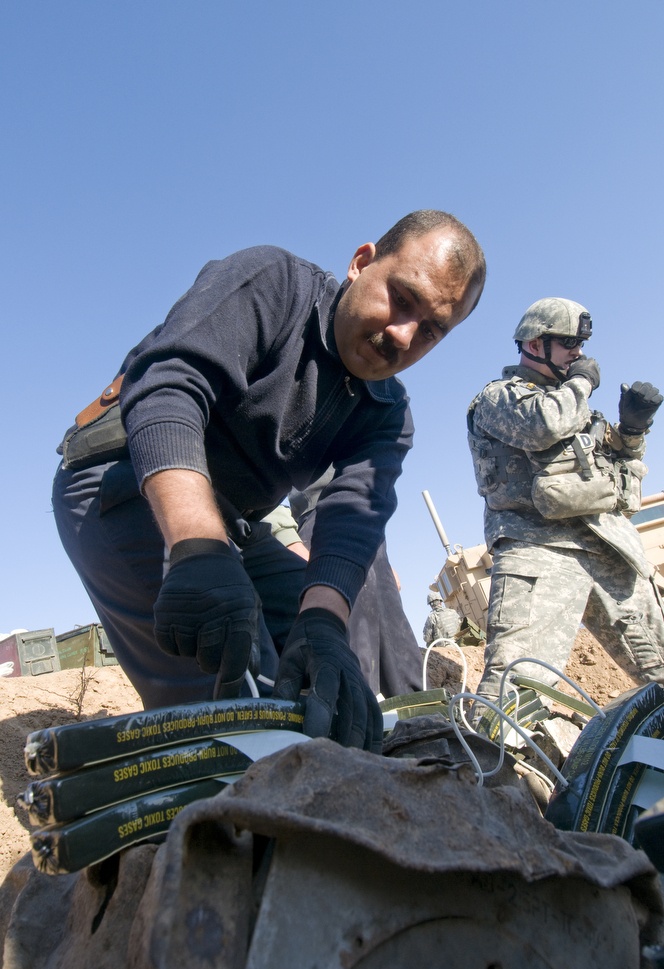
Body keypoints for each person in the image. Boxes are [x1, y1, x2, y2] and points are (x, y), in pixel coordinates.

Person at [52, 209, 486, 752]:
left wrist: (322, 625)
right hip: (120, 481)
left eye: (431, 330)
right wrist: (198, 550)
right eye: (402, 298)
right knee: (234, 682)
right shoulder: (275, 284)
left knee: (334, 658)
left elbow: (351, 519)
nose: (402, 334)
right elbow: (168, 391)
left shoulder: (387, 414)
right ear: (360, 263)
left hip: (234, 525)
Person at [467, 296, 664, 707]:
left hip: (607, 547)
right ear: (535, 345)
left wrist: (633, 427)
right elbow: (543, 426)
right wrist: (583, 383)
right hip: (538, 552)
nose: (579, 353)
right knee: (516, 691)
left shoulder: (580, 410)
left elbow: (622, 471)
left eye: (582, 344)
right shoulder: (499, 398)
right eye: (570, 342)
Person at [287, 471, 423, 698]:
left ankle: (416, 712)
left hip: (365, 515)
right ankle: (354, 710)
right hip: (323, 512)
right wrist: (287, 537)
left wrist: (381, 564)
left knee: (392, 626)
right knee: (352, 631)